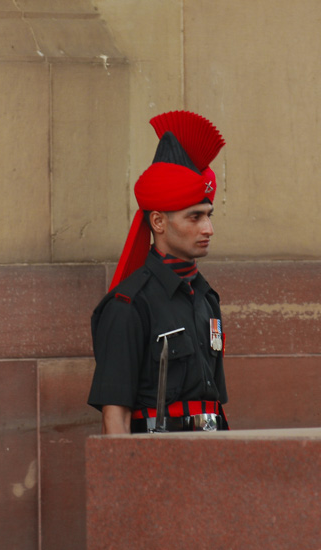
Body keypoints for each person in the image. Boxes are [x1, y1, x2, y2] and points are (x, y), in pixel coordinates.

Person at [87, 110, 228, 434]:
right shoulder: (128, 305)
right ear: (159, 222)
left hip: (211, 458)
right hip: (157, 462)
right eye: (194, 217)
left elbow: (214, 403)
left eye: (208, 215)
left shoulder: (206, 299)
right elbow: (116, 416)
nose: (208, 228)